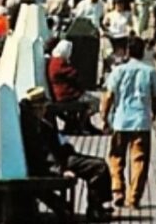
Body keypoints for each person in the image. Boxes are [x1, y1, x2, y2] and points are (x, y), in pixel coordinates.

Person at [19, 87, 112, 220]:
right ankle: (95, 209)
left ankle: (96, 206)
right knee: (99, 167)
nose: (45, 109)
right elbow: (44, 155)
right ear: (37, 108)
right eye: (43, 106)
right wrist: (61, 171)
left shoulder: (38, 122)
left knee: (97, 165)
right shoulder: (33, 128)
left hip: (62, 157)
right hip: (57, 163)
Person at [100, 37, 156, 209]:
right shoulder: (150, 72)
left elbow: (109, 96)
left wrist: (104, 117)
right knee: (139, 160)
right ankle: (134, 197)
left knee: (116, 157)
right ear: (142, 52)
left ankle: (117, 189)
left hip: (120, 120)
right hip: (141, 121)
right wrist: (153, 113)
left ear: (127, 51)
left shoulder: (118, 71)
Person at [47, 40, 101, 133]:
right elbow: (74, 74)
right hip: (67, 95)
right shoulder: (59, 63)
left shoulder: (54, 60)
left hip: (63, 93)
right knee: (96, 102)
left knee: (87, 99)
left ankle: (81, 123)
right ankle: (82, 122)